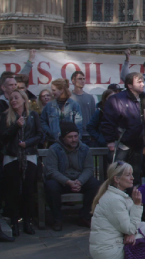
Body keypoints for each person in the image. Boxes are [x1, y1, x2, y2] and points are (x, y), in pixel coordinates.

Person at [89, 161, 145, 259]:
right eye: (128, 175)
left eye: (132, 174)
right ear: (117, 179)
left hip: (113, 244)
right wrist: (137, 205)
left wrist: (132, 233)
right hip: (108, 251)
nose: (132, 178)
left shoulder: (119, 196)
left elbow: (131, 226)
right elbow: (129, 228)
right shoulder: (114, 200)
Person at [0, 90, 43, 236]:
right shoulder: (6, 116)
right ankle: (14, 222)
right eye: (11, 98)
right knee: (12, 192)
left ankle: (27, 222)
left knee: (28, 191)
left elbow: (39, 134)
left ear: (24, 100)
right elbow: (4, 137)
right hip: (12, 157)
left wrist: (27, 143)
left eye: (16, 98)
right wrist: (16, 126)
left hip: (29, 156)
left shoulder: (33, 115)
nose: (13, 101)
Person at [44, 122, 101, 231]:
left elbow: (89, 169)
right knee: (50, 186)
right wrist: (67, 182)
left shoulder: (84, 149)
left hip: (79, 180)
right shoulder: (54, 149)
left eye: (75, 136)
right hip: (62, 181)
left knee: (95, 185)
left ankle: (85, 216)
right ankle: (57, 219)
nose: (74, 139)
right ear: (63, 138)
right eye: (70, 137)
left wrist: (80, 181)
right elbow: (51, 171)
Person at [101, 72, 145, 184]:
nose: (143, 84)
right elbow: (107, 122)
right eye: (139, 82)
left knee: (134, 178)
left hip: (138, 146)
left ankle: (132, 200)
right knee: (118, 177)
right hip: (121, 145)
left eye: (143, 82)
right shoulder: (116, 99)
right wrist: (110, 141)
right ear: (130, 85)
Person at [40, 78, 83, 145]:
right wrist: (49, 132)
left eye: (54, 90)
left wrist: (75, 139)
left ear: (62, 90)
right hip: (53, 142)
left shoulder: (74, 105)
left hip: (70, 143)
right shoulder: (49, 106)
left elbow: (78, 124)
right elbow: (42, 121)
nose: (52, 92)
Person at [70, 71, 97, 147]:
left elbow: (93, 116)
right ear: (73, 80)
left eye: (83, 79)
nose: (82, 81)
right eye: (79, 79)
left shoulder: (90, 97)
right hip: (73, 135)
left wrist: (93, 133)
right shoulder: (69, 98)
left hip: (87, 135)